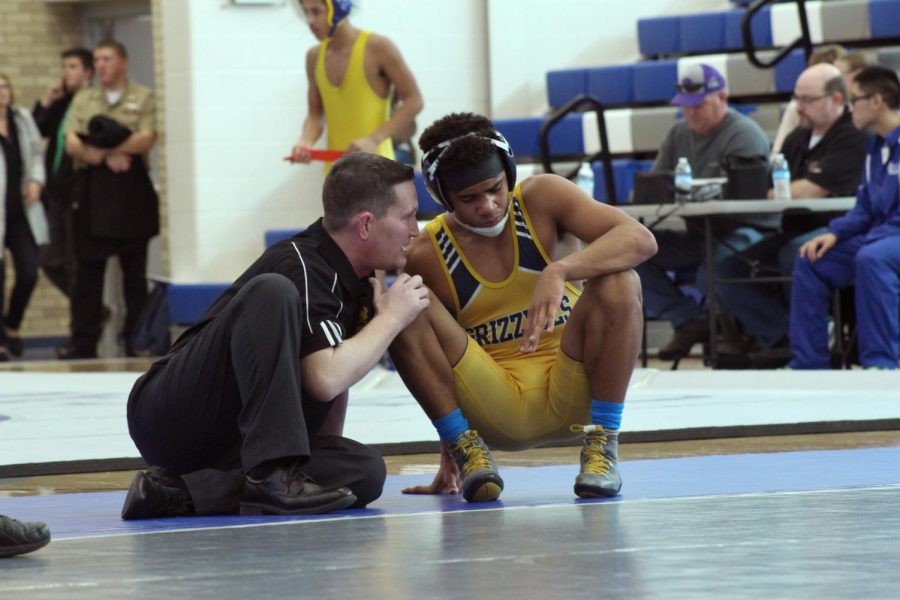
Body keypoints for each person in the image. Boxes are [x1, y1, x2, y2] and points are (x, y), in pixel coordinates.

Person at [123, 153, 429, 518]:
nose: (416, 230)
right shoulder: (299, 262)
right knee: (271, 290)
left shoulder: (360, 284)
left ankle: (179, 494)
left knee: (365, 471)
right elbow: (325, 379)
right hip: (170, 415)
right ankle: (272, 476)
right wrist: (391, 318)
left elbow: (332, 398)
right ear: (365, 225)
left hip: (235, 441)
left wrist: (319, 460)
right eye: (408, 216)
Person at [388, 113, 657, 503]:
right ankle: (465, 450)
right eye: (469, 199)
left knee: (620, 279)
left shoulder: (543, 199)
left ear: (509, 173)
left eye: (495, 189)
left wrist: (560, 269)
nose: (488, 205)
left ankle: (603, 445)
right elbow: (431, 359)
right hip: (498, 407)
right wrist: (445, 456)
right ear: (443, 196)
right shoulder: (427, 252)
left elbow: (640, 240)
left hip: (577, 392)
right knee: (406, 303)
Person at [714, 63, 868, 360]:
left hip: (838, 230)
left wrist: (786, 188)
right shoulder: (797, 137)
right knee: (724, 270)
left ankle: (812, 341)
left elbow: (812, 190)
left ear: (836, 99)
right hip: (789, 228)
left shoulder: (853, 136)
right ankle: (785, 337)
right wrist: (787, 188)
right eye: (796, 98)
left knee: (795, 254)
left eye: (807, 100)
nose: (798, 107)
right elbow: (767, 186)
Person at [634, 63, 771, 361]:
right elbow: (656, 184)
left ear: (722, 98)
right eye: (685, 106)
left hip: (748, 230)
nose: (691, 112)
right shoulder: (677, 134)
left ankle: (754, 336)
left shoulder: (744, 134)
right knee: (632, 251)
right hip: (699, 234)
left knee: (712, 271)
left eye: (699, 105)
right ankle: (689, 319)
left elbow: (746, 196)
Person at [788, 65, 900, 370]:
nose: (850, 108)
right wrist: (836, 233)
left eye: (855, 99)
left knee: (871, 258)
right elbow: (864, 207)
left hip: (889, 239)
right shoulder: (874, 147)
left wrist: (871, 237)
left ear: (877, 100)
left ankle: (881, 363)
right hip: (881, 236)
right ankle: (808, 364)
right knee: (812, 255)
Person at [59, 40, 158, 359]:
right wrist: (103, 157)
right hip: (92, 191)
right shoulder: (85, 98)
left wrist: (115, 150)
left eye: (107, 59)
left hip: (131, 192)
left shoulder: (142, 96)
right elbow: (72, 140)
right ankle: (82, 340)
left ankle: (136, 337)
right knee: (87, 273)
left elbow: (146, 137)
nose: (101, 65)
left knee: (134, 274)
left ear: (123, 62)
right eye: (98, 59)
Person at [289, 0, 423, 167]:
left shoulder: (378, 47)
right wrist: (305, 140)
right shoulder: (314, 56)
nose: (309, 20)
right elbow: (315, 113)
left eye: (316, 11)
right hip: (336, 171)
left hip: (379, 171)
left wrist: (374, 139)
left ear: (339, 9)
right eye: (306, 12)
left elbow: (414, 100)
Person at [32, 47, 94, 299]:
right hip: (54, 194)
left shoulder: (91, 104)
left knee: (72, 261)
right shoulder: (63, 103)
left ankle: (85, 323)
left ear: (87, 72)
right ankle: (93, 312)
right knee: (49, 259)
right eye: (64, 67)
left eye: (72, 67)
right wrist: (47, 101)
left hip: (75, 194)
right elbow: (35, 132)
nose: (66, 73)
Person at [0, 73, 47, 362]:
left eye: (4, 86)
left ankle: (13, 325)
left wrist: (36, 181)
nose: (2, 92)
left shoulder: (21, 119)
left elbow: (36, 155)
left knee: (29, 271)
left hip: (20, 211)